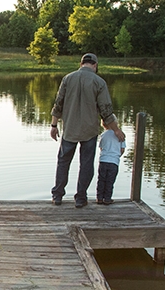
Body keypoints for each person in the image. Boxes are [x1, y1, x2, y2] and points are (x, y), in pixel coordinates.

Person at [49, 53, 125, 208]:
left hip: (69, 129)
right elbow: (106, 110)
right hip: (89, 131)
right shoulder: (99, 82)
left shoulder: (68, 79)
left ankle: (57, 196)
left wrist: (54, 125)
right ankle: (80, 198)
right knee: (86, 163)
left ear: (81, 63)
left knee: (63, 162)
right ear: (95, 65)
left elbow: (58, 104)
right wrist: (116, 130)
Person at [96, 122, 126, 205]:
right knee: (110, 181)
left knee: (101, 180)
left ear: (103, 125)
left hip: (103, 160)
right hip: (114, 162)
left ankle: (99, 198)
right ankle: (107, 199)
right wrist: (117, 156)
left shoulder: (103, 135)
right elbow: (122, 149)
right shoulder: (121, 135)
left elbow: (101, 147)